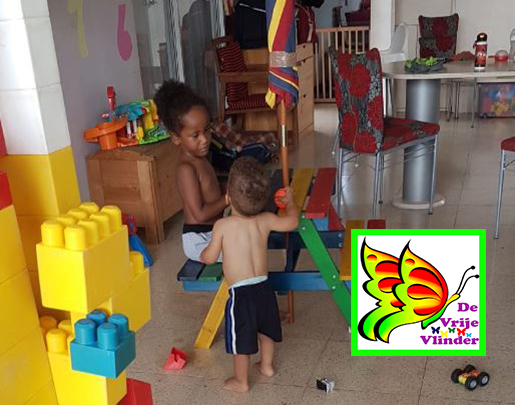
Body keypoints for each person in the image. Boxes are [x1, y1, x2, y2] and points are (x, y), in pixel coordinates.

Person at [200, 157, 299, 393]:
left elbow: (210, 258)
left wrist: (204, 253)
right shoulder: (266, 220)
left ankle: (241, 381)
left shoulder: (223, 226)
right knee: (266, 331)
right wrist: (291, 202)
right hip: (264, 288)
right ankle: (266, 366)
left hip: (241, 295)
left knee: (241, 341)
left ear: (228, 197)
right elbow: (293, 222)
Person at [154, 80, 227, 262]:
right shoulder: (186, 169)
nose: (205, 139)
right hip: (200, 240)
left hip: (213, 232)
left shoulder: (200, 158)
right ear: (176, 138)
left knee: (252, 234)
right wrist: (228, 199)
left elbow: (211, 189)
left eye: (207, 130)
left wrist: (230, 186)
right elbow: (200, 214)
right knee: (243, 250)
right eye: (195, 135)